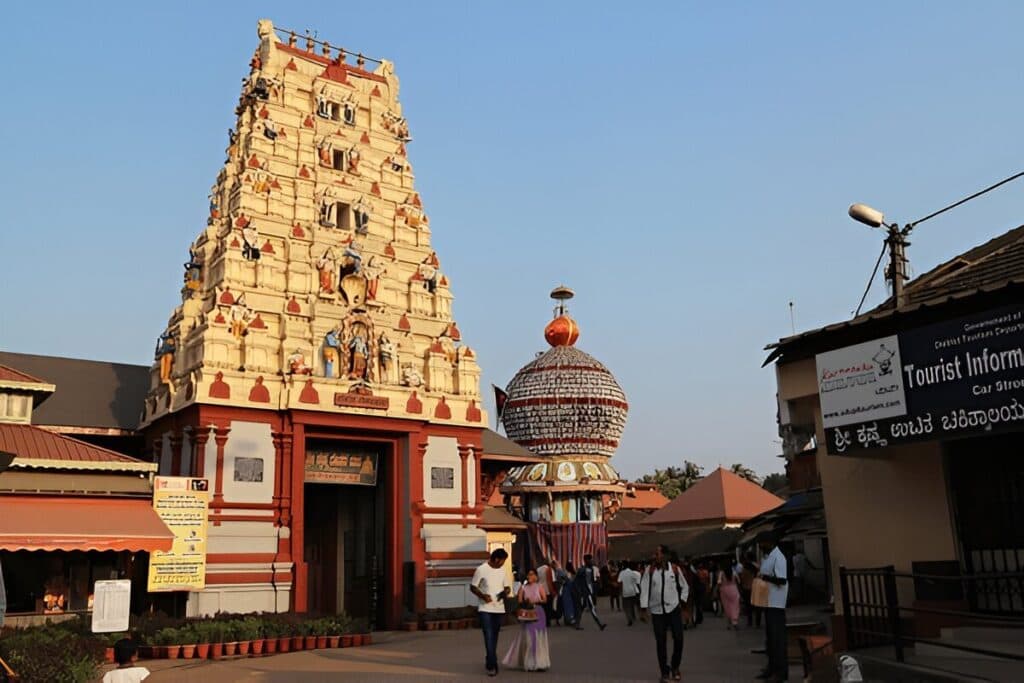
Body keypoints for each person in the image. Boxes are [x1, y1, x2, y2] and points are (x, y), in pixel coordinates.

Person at [640, 545, 689, 683]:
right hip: (657, 611)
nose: (655, 556)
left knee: (679, 639)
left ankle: (675, 666)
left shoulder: (674, 569)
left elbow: (685, 587)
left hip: (673, 609)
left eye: (658, 553)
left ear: (665, 556)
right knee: (660, 642)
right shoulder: (650, 570)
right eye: (655, 553)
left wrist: (683, 603)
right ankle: (664, 672)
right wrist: (643, 609)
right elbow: (644, 589)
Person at [470, 548, 512, 677]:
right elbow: (472, 586)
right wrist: (483, 596)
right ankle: (492, 665)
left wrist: (505, 593)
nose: (503, 564)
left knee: (494, 635)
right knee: (488, 635)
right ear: (496, 559)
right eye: (502, 561)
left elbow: (507, 587)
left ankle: (490, 659)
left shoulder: (502, 570)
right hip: (485, 608)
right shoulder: (481, 569)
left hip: (499, 608)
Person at [502, 568, 551, 671]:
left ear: (536, 576)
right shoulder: (523, 588)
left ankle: (540, 662)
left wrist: (537, 600)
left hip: (538, 612)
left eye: (532, 574)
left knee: (538, 638)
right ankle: (529, 662)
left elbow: (545, 599)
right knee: (529, 638)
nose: (530, 577)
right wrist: (525, 602)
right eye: (528, 575)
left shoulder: (540, 586)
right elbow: (519, 600)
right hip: (528, 613)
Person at [757, 534, 789, 682]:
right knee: (770, 641)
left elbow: (782, 580)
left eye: (762, 543)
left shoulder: (779, 557)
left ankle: (781, 673)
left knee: (778, 640)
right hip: (768, 602)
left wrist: (765, 578)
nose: (760, 546)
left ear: (769, 542)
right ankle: (771, 668)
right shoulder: (769, 557)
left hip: (776, 604)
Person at [574, 554, 607, 630]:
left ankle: (577, 624)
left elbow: (591, 581)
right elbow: (576, 581)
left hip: (588, 592)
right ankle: (599, 624)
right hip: (584, 592)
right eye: (590, 559)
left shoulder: (591, 569)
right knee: (587, 608)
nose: (592, 561)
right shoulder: (582, 570)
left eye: (591, 559)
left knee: (585, 608)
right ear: (586, 560)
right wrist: (579, 591)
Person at [619, 561, 642, 626]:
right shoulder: (632, 573)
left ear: (623, 566)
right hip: (633, 592)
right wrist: (639, 590)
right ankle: (635, 616)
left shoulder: (622, 573)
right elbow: (637, 582)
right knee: (632, 605)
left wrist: (620, 591)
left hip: (625, 592)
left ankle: (629, 619)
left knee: (626, 607)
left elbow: (620, 582)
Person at [718, 564, 741, 629]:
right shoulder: (734, 572)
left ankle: (729, 623)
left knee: (727, 606)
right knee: (735, 605)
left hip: (724, 590)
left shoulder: (721, 573)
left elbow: (719, 582)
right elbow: (739, 581)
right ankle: (735, 621)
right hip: (733, 589)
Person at [554, 559, 575, 627]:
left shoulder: (560, 571)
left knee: (564, 605)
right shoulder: (562, 571)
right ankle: (569, 619)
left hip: (563, 590)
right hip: (567, 590)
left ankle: (566, 619)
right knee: (568, 605)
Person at [740, 554, 758, 627]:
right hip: (754, 587)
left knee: (748, 606)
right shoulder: (754, 569)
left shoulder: (744, 570)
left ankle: (750, 621)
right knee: (755, 605)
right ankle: (757, 621)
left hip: (746, 589)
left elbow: (742, 579)